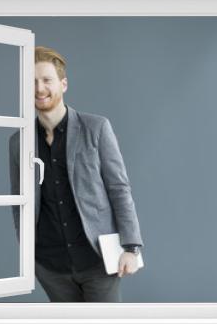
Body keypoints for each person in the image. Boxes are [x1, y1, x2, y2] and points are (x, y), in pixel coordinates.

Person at [9, 46, 143, 302]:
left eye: (47, 80)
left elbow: (119, 189)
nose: (39, 89)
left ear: (63, 84)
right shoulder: (18, 142)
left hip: (100, 260)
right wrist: (29, 255)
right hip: (50, 267)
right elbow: (19, 203)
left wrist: (131, 247)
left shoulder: (97, 128)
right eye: (32, 82)